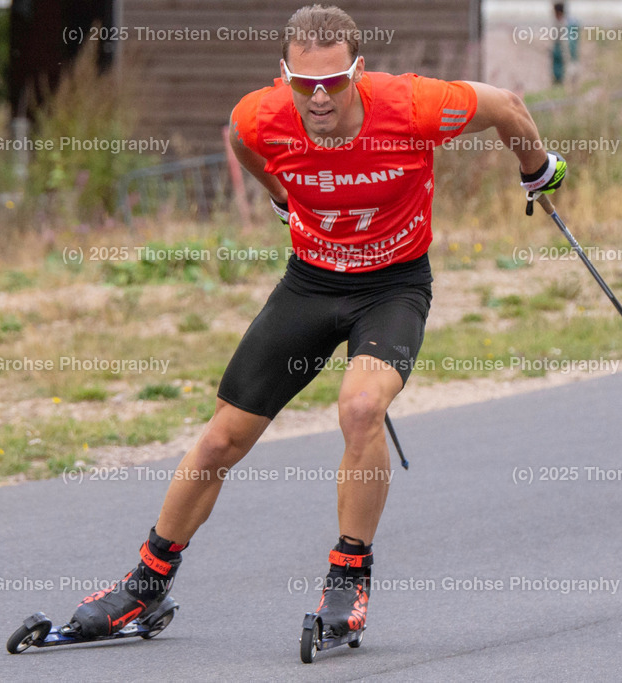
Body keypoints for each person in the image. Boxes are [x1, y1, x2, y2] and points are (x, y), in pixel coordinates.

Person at [66, 4, 566, 644]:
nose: (320, 97)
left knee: (361, 408)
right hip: (311, 283)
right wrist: (281, 197)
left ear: (359, 70)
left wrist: (536, 169)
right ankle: (145, 584)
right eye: (306, 84)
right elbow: (241, 139)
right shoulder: (261, 115)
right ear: (285, 75)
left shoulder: (412, 105)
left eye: (335, 81)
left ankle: (349, 578)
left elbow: (506, 106)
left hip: (392, 287)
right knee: (221, 439)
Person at [551, 2, 580, 85]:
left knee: (565, 68)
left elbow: (564, 40)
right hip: (564, 49)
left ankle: (563, 82)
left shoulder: (563, 23)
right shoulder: (567, 22)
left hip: (564, 50)